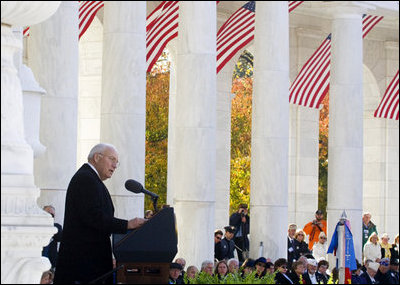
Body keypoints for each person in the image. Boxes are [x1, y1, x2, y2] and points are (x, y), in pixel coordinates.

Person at [53, 143, 147, 284]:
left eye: (117, 162)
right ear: (97, 157)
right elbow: (93, 216)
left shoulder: (92, 179)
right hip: (83, 267)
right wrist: (127, 224)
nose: (115, 165)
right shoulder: (86, 179)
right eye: (112, 159)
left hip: (89, 266)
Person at [41, 205, 63, 269]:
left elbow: (60, 237)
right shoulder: (38, 228)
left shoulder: (56, 227)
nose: (49, 216)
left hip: (51, 264)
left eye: (52, 215)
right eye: (47, 214)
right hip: (39, 263)